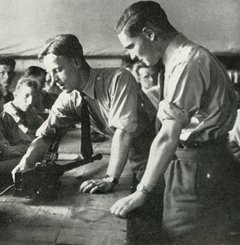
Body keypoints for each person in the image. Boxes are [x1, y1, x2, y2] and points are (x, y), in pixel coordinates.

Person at [110, 1, 239, 243]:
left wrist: (141, 192)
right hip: (192, 164)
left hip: (198, 168)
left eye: (131, 46)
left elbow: (169, 134)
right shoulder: (177, 60)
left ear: (149, 33)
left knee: (184, 237)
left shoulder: (187, 62)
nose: (131, 55)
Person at [12, 34, 160, 242]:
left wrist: (109, 178)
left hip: (155, 152)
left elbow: (123, 131)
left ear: (77, 61)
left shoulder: (118, 78)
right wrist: (26, 161)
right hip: (130, 154)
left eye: (57, 70)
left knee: (152, 224)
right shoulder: (69, 97)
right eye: (49, 72)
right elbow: (46, 135)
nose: (52, 80)